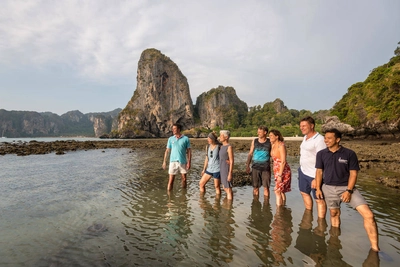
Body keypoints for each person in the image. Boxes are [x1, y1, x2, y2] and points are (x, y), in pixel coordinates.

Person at [315, 128, 380, 252]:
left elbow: (353, 174)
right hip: (328, 188)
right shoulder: (321, 154)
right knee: (334, 213)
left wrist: (349, 191)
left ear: (338, 139)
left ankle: (375, 248)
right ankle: (335, 241)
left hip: (347, 188)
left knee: (369, 215)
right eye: (325, 138)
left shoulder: (349, 154)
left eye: (329, 138)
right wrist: (318, 188)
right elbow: (319, 171)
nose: (326, 140)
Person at [298, 116, 327, 218]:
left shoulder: (319, 140)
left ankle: (320, 222)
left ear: (312, 125)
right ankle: (308, 215)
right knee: (304, 193)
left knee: (319, 199)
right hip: (303, 171)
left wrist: (316, 178)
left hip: (314, 174)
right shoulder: (305, 138)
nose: (302, 128)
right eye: (301, 126)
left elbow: (322, 160)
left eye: (304, 126)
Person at [162, 123, 191, 191]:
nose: (173, 130)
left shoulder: (186, 139)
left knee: (184, 179)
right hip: (173, 162)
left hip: (183, 162)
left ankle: (184, 195)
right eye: (173, 129)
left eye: (174, 129)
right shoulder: (170, 139)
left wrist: (189, 162)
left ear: (179, 129)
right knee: (171, 180)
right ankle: (169, 199)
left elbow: (189, 151)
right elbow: (167, 151)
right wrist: (164, 162)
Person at [246, 126, 272, 197]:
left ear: (265, 132)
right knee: (255, 188)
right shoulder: (255, 141)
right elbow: (250, 153)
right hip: (255, 167)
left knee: (266, 188)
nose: (258, 133)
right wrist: (247, 165)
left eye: (260, 132)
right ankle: (255, 204)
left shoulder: (270, 142)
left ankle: (266, 205)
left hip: (266, 168)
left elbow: (273, 153)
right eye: (258, 132)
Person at [269, 129, 291, 206]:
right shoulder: (273, 144)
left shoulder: (281, 146)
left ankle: (278, 211)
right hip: (276, 170)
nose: (270, 137)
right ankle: (284, 207)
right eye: (269, 136)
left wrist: (280, 175)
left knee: (277, 191)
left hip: (283, 170)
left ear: (277, 136)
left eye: (271, 135)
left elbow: (283, 161)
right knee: (281, 191)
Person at [219, 130, 234, 200]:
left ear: (226, 137)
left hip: (226, 168)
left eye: (221, 135)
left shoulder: (229, 147)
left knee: (227, 188)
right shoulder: (221, 146)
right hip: (222, 168)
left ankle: (229, 206)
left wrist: (230, 173)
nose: (219, 137)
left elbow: (231, 161)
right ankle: (229, 203)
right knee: (225, 187)